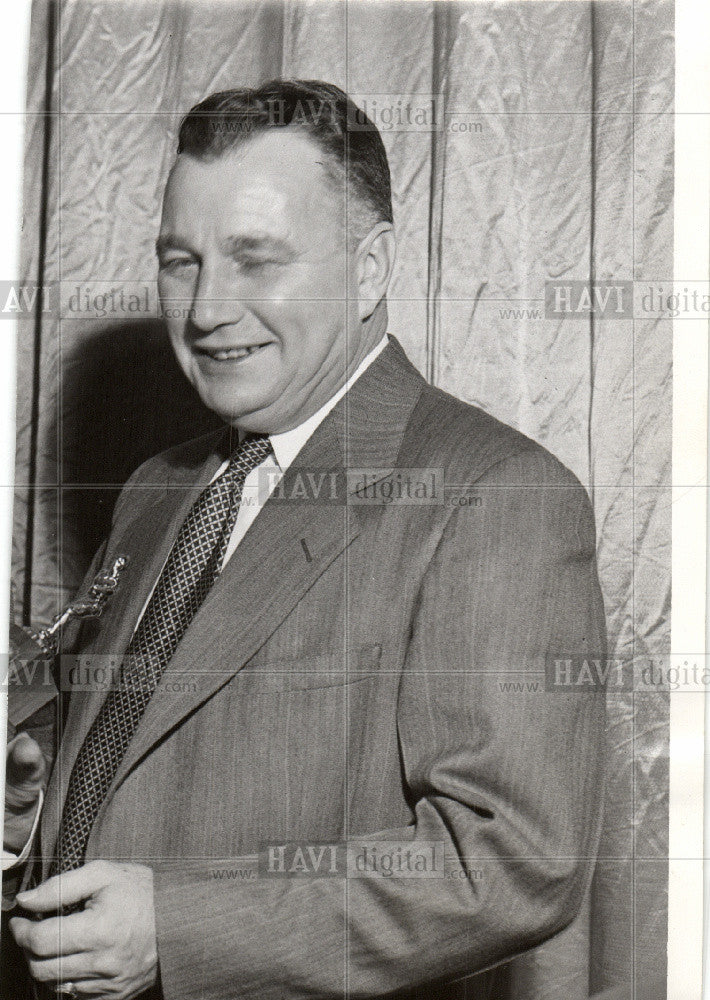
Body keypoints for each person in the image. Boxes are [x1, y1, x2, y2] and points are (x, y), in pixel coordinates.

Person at [5, 79, 607, 1000]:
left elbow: (514, 861)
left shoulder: (498, 496)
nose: (207, 310)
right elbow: (133, 748)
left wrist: (179, 927)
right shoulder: (160, 487)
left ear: (371, 269)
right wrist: (29, 801)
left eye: (257, 259)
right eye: (181, 260)